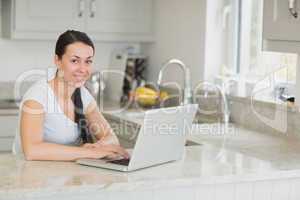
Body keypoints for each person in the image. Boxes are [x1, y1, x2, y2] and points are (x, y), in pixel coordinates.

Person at [16, 30, 129, 161]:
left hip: (65, 174)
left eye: (88, 61)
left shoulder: (82, 94)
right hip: (31, 176)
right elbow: (32, 151)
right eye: (75, 61)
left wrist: (97, 146)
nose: (83, 69)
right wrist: (92, 153)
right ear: (57, 60)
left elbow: (110, 137)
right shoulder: (37, 97)